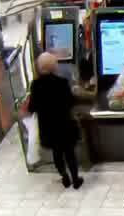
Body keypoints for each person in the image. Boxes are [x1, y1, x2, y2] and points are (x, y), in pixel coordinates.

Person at [23, 52, 83, 189]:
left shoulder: (35, 85)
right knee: (69, 153)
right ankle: (76, 179)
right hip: (65, 126)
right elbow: (70, 102)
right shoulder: (62, 83)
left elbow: (32, 107)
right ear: (53, 66)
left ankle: (64, 176)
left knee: (57, 154)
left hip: (48, 128)